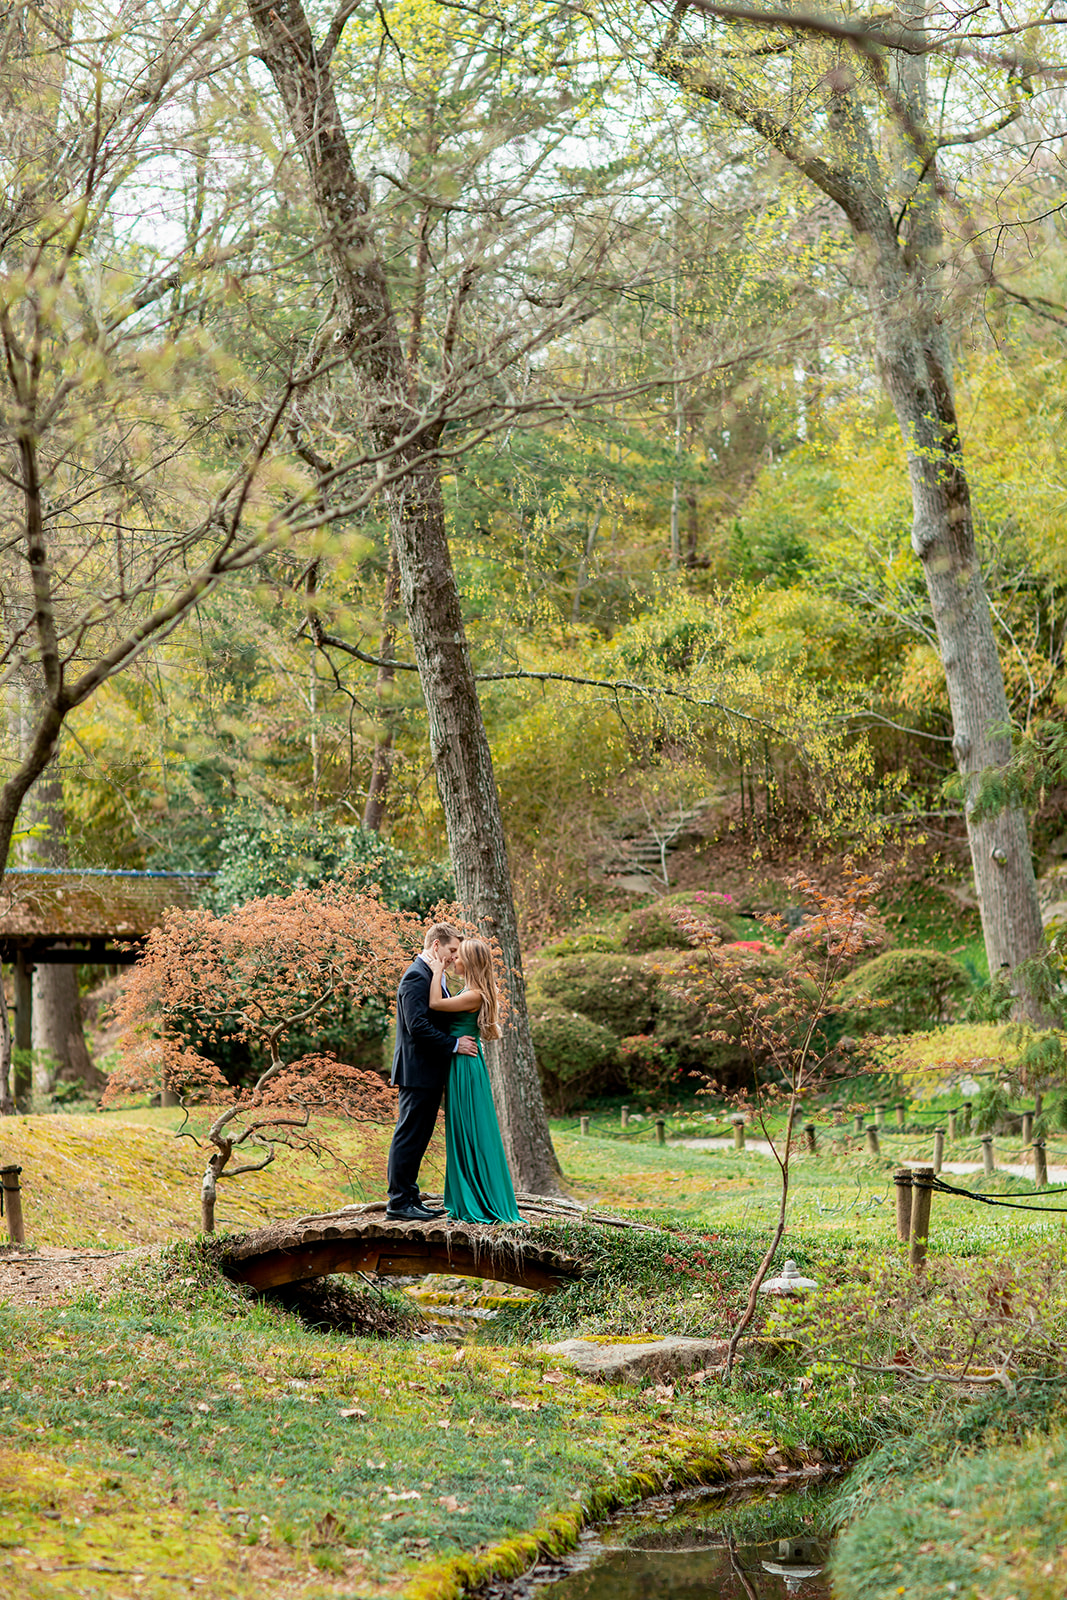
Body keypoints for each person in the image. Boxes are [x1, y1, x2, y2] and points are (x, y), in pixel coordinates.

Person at [386, 923, 478, 1222]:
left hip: (426, 1071)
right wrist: (454, 1044)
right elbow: (418, 1027)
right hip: (417, 1071)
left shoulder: (430, 974)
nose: (454, 957)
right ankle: (398, 1202)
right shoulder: (416, 975)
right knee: (409, 1135)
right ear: (436, 946)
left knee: (418, 1136)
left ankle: (410, 1198)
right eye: (452, 950)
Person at [427, 937, 522, 1225]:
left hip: (465, 1067)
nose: (453, 958)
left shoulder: (475, 994)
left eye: (458, 956)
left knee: (470, 1128)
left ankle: (479, 1198)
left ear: (471, 962)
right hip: (463, 1063)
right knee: (463, 1128)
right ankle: (469, 1192)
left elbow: (434, 1003)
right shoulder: (470, 990)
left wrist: (436, 970)